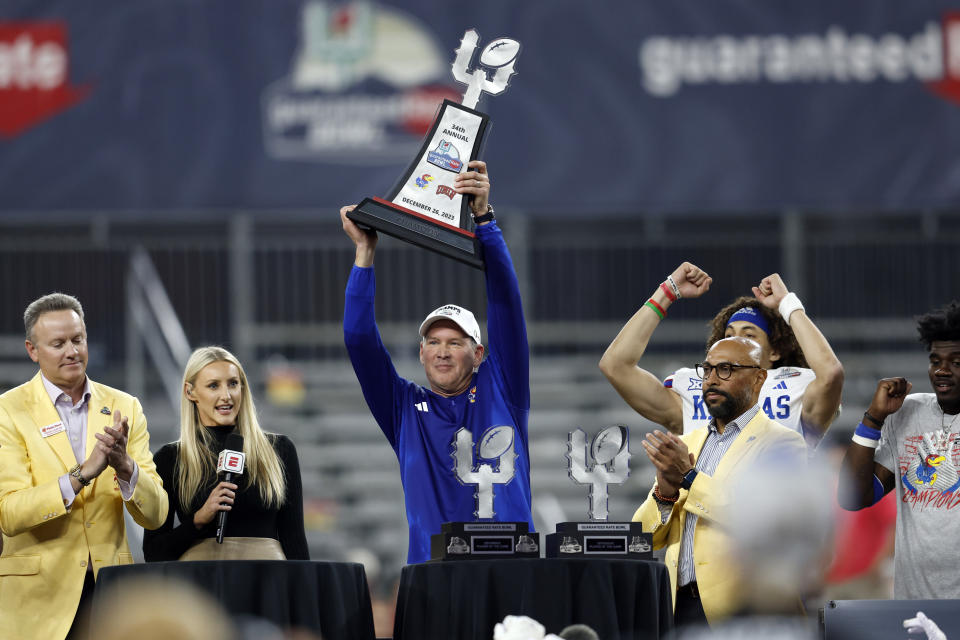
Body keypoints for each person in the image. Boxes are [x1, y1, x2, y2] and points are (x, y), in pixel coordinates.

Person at [341, 160, 533, 565]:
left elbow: (505, 301)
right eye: (433, 341)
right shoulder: (403, 408)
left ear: (479, 353)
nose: (443, 350)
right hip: (434, 578)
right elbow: (359, 339)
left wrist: (485, 219)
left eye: (456, 342)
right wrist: (364, 253)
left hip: (510, 568)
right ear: (422, 353)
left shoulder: (503, 388)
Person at [0, 292, 168, 640]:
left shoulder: (126, 406)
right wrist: (82, 474)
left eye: (77, 339)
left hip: (111, 600)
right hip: (37, 604)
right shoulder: (7, 411)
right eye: (58, 343)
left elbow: (156, 514)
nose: (72, 351)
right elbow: (10, 514)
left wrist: (125, 468)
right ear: (33, 350)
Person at [632, 336, 807, 628]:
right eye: (708, 369)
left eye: (725, 369)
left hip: (747, 611)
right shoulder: (688, 443)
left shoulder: (783, 443)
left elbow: (760, 519)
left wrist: (689, 477)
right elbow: (644, 540)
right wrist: (665, 493)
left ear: (758, 378)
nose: (712, 379)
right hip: (678, 608)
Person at [600, 262, 844, 447]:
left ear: (776, 351)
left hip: (774, 511)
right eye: (729, 335)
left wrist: (786, 303)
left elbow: (830, 373)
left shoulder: (796, 389)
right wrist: (667, 291)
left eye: (749, 336)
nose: (735, 343)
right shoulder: (699, 390)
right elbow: (615, 365)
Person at [838, 301, 960, 599]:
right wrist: (873, 419)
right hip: (914, 607)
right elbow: (853, 498)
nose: (942, 370)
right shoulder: (908, 412)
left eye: (956, 362)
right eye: (935, 361)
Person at [143, 346, 308, 561]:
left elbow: (295, 542)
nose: (226, 396)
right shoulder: (170, 459)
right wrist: (198, 521)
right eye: (213, 386)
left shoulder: (280, 450)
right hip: (201, 587)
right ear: (190, 392)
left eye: (233, 384)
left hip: (267, 584)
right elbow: (154, 553)